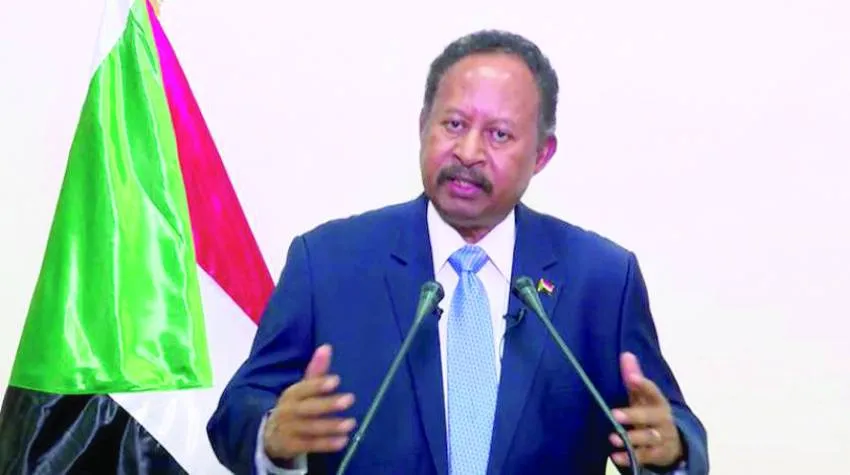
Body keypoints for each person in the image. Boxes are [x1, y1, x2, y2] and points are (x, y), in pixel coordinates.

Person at [206, 30, 709, 475]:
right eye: (453, 124)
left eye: (499, 135)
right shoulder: (327, 263)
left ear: (541, 154)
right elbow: (237, 410)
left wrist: (671, 453)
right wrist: (272, 435)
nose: (468, 152)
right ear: (422, 124)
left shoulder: (601, 280)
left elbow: (672, 426)